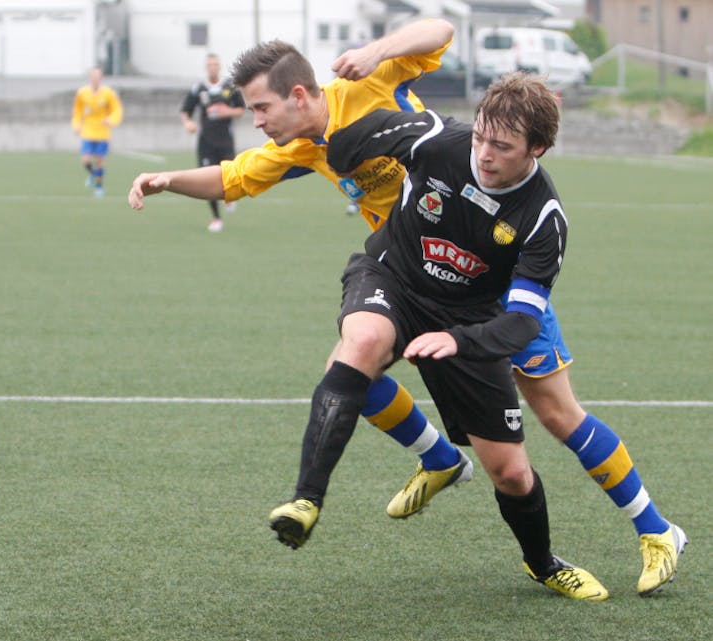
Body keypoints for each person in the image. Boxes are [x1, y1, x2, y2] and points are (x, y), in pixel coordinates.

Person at [128, 20, 685, 598]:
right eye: (483, 141)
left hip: (486, 293)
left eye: (261, 107)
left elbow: (438, 29)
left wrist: (375, 50)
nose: (257, 121)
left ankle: (656, 529)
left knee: (556, 418)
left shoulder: (382, 90)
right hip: (409, 273)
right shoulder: (302, 147)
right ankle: (434, 459)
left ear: (297, 95)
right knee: (354, 359)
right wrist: (168, 179)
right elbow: (234, 176)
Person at [181, 53, 246, 232]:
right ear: (206, 67)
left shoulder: (229, 87)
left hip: (225, 140)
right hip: (206, 142)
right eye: (209, 64)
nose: (212, 67)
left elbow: (241, 109)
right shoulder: (199, 89)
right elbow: (186, 111)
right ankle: (216, 218)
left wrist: (228, 112)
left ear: (219, 66)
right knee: (206, 180)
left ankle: (230, 197)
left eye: (215, 64)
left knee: (230, 175)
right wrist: (188, 123)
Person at [72, 66, 123, 198]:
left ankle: (99, 187)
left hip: (102, 132)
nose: (95, 79)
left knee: (99, 161)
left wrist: (111, 120)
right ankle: (94, 175)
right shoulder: (82, 93)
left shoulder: (108, 93)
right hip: (88, 131)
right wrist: (77, 125)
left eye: (98, 77)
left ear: (101, 78)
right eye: (93, 76)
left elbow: (117, 110)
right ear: (90, 78)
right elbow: (77, 111)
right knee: (86, 160)